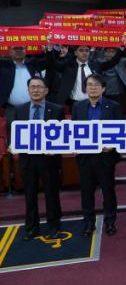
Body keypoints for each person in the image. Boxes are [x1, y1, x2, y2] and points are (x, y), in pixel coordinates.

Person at [71, 73, 122, 236]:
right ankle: (88, 223)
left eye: (97, 85)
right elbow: (73, 130)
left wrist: (113, 145)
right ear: (85, 88)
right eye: (90, 85)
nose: (93, 88)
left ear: (104, 89)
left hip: (105, 157)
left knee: (108, 191)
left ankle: (110, 222)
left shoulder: (113, 106)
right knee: (86, 192)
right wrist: (73, 145)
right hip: (85, 157)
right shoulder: (78, 107)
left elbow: (120, 130)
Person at [15, 77, 64, 240]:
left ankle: (54, 225)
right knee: (30, 194)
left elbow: (62, 135)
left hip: (48, 159)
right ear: (28, 90)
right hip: (28, 159)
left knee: (52, 193)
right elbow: (14, 132)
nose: (35, 90)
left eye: (39, 87)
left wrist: (55, 148)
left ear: (46, 90)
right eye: (32, 87)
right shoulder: (20, 109)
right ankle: (31, 227)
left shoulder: (56, 109)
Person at [48, 45, 123, 107]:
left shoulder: (95, 65)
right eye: (81, 50)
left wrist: (121, 49)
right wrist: (50, 50)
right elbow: (54, 64)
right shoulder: (69, 66)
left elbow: (112, 63)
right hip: (74, 103)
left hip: (93, 102)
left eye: (87, 51)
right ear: (75, 53)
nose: (84, 53)